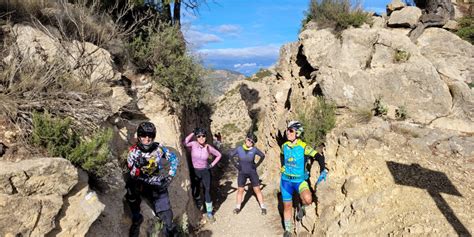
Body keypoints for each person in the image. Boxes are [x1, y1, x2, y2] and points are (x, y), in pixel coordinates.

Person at [125, 121, 179, 237]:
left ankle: (169, 231)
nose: (147, 139)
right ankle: (137, 219)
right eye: (144, 135)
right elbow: (133, 174)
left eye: (150, 136)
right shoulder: (133, 152)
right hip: (140, 184)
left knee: (167, 218)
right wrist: (138, 166)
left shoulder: (159, 149)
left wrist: (170, 177)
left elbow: (174, 159)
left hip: (156, 183)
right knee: (130, 190)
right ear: (139, 136)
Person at [280, 121, 328, 237]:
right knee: (287, 206)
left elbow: (318, 156)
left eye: (291, 131)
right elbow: (282, 155)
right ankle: (288, 230)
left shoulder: (303, 147)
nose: (288, 133)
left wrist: (323, 170)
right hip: (285, 181)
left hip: (299, 181)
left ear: (297, 133)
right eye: (287, 130)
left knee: (308, 199)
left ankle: (302, 207)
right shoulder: (284, 146)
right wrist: (282, 166)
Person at [184, 127, 222, 221]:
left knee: (207, 191)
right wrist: (193, 132)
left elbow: (219, 155)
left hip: (205, 171)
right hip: (195, 171)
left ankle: (209, 212)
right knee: (195, 188)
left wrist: (212, 165)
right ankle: (198, 202)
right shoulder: (193, 144)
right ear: (196, 137)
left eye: (203, 136)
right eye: (199, 136)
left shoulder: (208, 147)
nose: (201, 138)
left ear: (206, 137)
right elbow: (184, 142)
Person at [228, 132, 267, 215]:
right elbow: (231, 155)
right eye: (249, 140)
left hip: (252, 172)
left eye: (252, 142)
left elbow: (262, 156)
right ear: (246, 139)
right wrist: (236, 165)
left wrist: (256, 165)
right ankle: (238, 207)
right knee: (240, 190)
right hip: (242, 172)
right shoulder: (239, 148)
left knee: (257, 189)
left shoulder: (254, 149)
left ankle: (263, 207)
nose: (250, 142)